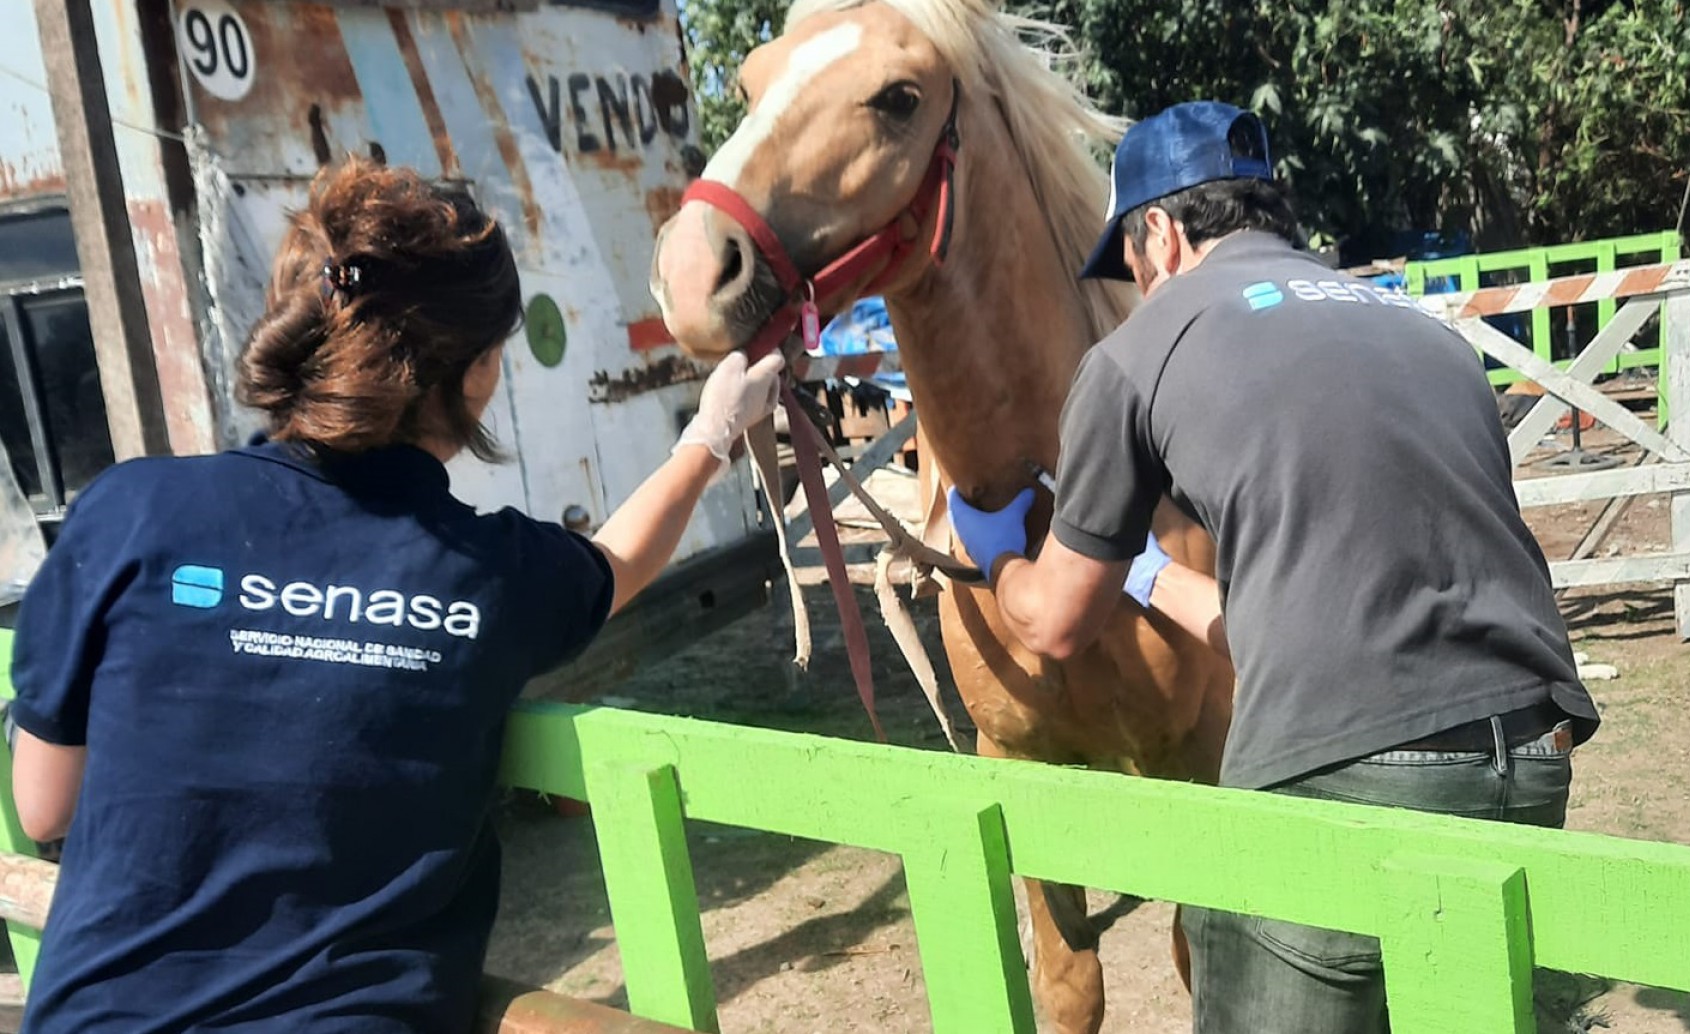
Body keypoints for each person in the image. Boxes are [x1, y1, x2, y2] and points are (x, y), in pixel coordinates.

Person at [6, 159, 783, 1032]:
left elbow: (43, 804)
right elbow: (614, 563)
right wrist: (714, 433)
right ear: (480, 370)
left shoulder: (128, 511)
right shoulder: (490, 574)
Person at [946, 102, 1599, 1034]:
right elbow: (1324, 606)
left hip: (1347, 774)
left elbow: (1051, 623)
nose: (1134, 287)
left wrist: (1001, 551)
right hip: (1533, 758)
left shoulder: (1134, 356)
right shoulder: (1425, 333)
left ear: (1160, 235)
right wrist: (1141, 573)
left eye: (1129, 264)